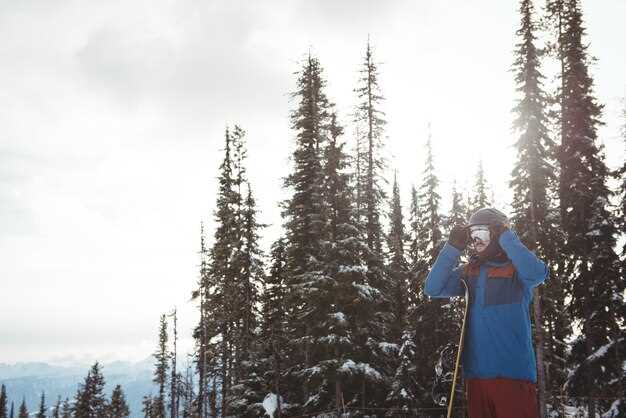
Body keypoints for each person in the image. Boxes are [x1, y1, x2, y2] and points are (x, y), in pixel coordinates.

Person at [424, 207, 548, 418]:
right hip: (477, 377)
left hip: (513, 376)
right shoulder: (469, 271)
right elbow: (433, 288)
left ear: (498, 234)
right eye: (472, 235)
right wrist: (452, 248)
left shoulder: (516, 269)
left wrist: (508, 237)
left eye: (482, 233)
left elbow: (537, 274)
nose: (476, 241)